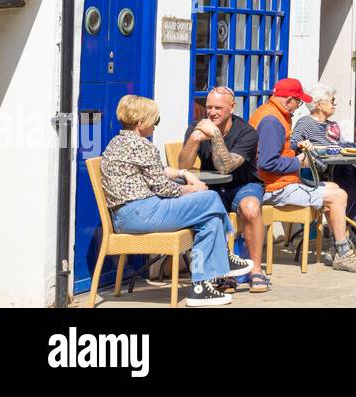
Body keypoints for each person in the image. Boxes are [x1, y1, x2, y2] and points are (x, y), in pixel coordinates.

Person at [101, 95, 253, 307]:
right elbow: (163, 188)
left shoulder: (116, 143)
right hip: (143, 213)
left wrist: (183, 173)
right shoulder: (143, 146)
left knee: (209, 222)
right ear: (140, 123)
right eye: (155, 120)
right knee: (210, 197)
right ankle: (224, 255)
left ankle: (200, 288)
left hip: (127, 215)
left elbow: (155, 172)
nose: (155, 126)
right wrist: (191, 189)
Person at [249, 78, 356, 272]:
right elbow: (267, 163)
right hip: (274, 188)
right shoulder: (272, 121)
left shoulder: (271, 113)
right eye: (298, 102)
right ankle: (343, 252)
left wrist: (296, 146)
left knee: (334, 188)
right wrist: (297, 162)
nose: (299, 107)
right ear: (289, 99)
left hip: (280, 183)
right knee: (338, 196)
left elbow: (275, 149)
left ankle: (338, 247)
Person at [176, 85, 268, 293]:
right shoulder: (196, 127)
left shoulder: (246, 133)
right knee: (210, 214)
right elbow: (183, 165)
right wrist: (193, 140)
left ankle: (255, 269)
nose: (212, 112)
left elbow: (225, 166)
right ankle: (222, 272)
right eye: (209, 107)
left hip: (242, 184)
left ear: (232, 108)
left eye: (218, 107)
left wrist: (215, 135)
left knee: (251, 208)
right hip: (211, 188)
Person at [290, 84, 356, 255]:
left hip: (339, 167)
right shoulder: (305, 122)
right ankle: (345, 232)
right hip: (318, 172)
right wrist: (306, 146)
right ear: (318, 104)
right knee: (350, 184)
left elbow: (341, 146)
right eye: (332, 101)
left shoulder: (333, 125)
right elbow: (293, 143)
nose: (335, 104)